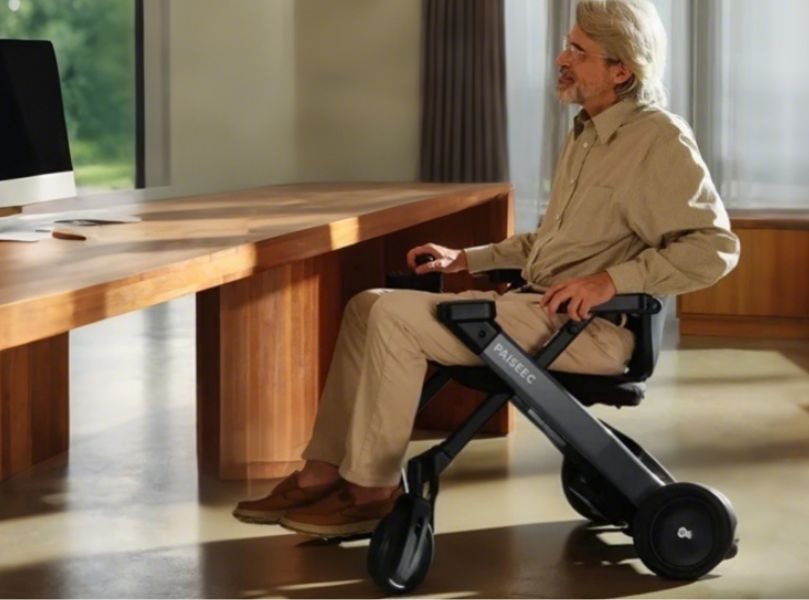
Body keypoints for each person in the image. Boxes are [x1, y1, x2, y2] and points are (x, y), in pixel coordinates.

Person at [234, 0, 740, 539]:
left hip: (590, 330)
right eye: (566, 44)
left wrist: (610, 282)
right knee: (367, 305)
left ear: (622, 70)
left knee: (395, 318)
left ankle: (372, 492)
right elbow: (550, 243)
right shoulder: (586, 134)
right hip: (538, 310)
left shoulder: (658, 139)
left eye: (578, 51)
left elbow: (714, 248)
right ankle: (321, 473)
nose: (560, 58)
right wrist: (465, 260)